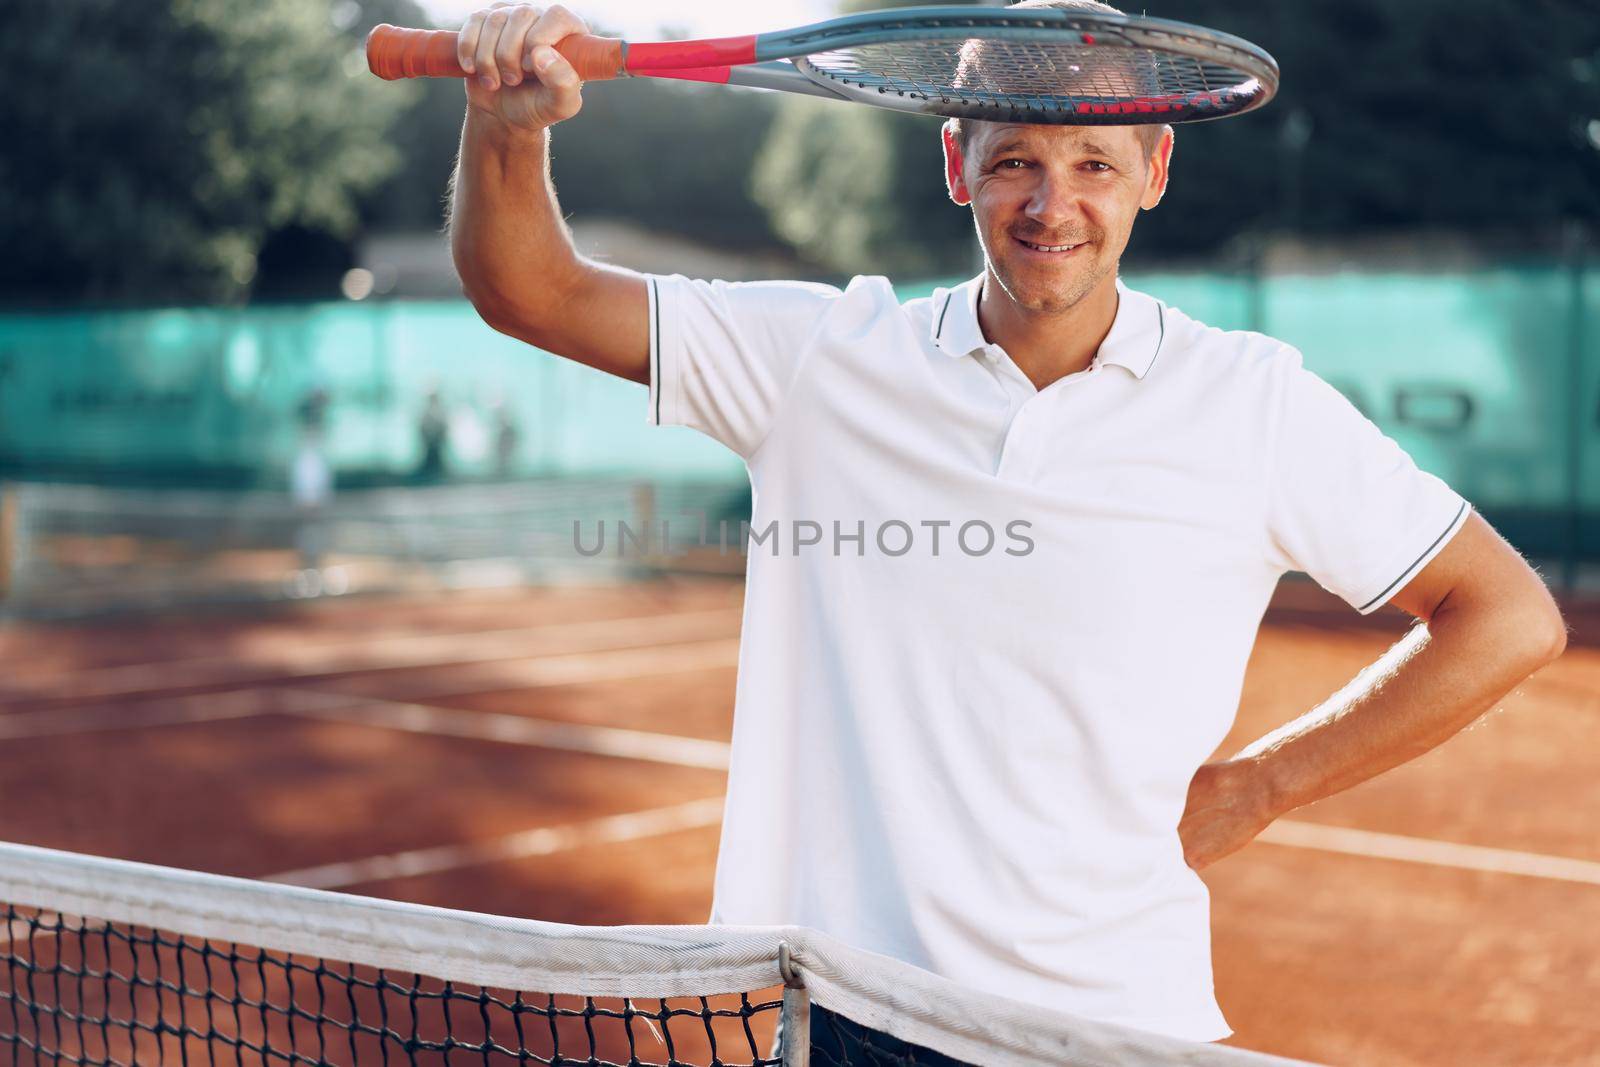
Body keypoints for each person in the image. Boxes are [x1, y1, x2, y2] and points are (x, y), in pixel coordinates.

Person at [446, 0, 1568, 1048]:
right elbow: (530, 288)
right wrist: (505, 129)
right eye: (1016, 160)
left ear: (1155, 171)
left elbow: (1505, 613)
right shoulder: (819, 361)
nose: (1051, 205)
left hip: (1125, 1027)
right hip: (852, 1017)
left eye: (1093, 164)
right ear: (955, 166)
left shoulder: (1254, 402)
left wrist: (1261, 783)